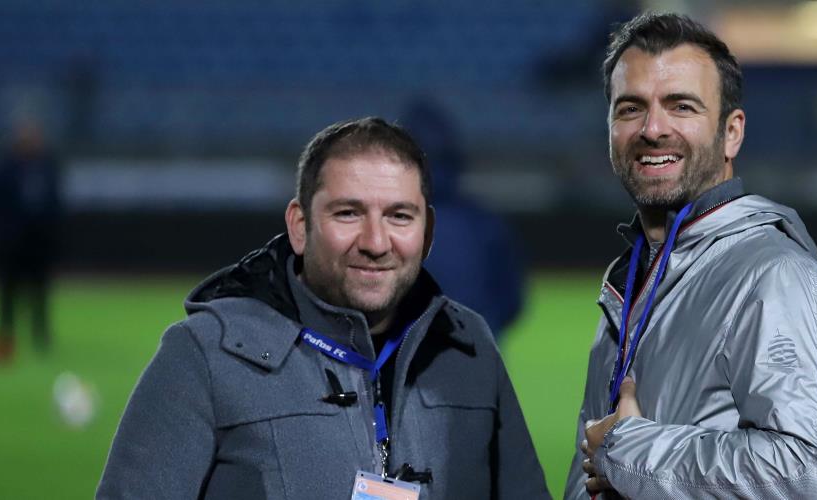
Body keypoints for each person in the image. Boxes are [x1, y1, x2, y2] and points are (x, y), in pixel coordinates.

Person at [99, 117, 551, 499]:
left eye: (399, 216)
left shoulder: (471, 348)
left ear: (427, 232)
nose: (376, 243)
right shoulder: (204, 356)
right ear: (300, 226)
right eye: (348, 213)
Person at [564, 13, 817, 499]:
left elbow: (801, 472)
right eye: (631, 108)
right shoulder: (636, 275)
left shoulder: (777, 277)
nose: (653, 128)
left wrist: (629, 451)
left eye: (681, 106)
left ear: (732, 132)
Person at [400, 98, 526, 338]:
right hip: (475, 350)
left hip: (406, 354)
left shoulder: (381, 229)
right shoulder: (485, 224)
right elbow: (512, 303)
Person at [0, 118, 63, 364]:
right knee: (7, 291)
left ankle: (40, 334)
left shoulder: (46, 166)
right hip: (11, 242)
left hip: (38, 242)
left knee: (40, 291)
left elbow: (55, 202)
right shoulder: (3, 167)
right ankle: (5, 337)